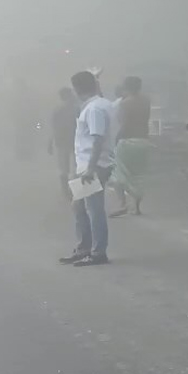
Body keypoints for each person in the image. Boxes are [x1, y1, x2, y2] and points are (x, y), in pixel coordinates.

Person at [60, 71, 114, 266]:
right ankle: (85, 248)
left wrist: (90, 168)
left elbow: (97, 139)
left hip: (93, 166)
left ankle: (97, 252)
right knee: (79, 206)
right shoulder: (102, 104)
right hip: (90, 164)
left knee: (93, 209)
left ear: (77, 89)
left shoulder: (93, 109)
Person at [108, 76, 151, 217]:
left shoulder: (125, 103)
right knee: (138, 175)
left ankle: (123, 204)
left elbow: (123, 123)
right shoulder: (146, 101)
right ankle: (136, 207)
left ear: (126, 87)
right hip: (143, 140)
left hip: (127, 141)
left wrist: (116, 139)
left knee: (118, 174)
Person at [48, 87, 78, 201]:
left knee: (63, 168)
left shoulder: (57, 109)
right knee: (76, 166)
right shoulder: (76, 108)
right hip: (74, 139)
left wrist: (50, 142)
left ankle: (65, 191)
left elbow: (53, 127)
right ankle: (75, 190)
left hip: (61, 140)